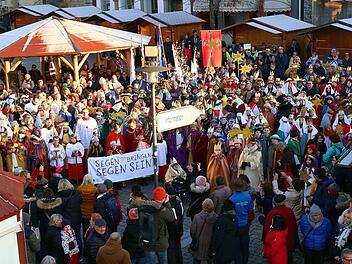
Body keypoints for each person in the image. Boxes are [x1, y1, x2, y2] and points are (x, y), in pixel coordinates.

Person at [128, 186, 175, 264]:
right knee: (163, 261)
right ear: (163, 198)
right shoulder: (163, 210)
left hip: (147, 240)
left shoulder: (143, 206)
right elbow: (172, 218)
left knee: (150, 261)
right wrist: (167, 203)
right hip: (161, 242)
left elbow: (132, 206)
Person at [263, 194, 297, 264]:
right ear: (284, 202)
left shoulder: (271, 213)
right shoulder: (289, 211)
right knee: (288, 257)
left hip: (275, 241)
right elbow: (294, 226)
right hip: (288, 239)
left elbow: (266, 228)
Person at [229, 177, 254, 264]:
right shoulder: (248, 196)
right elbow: (250, 211)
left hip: (235, 225)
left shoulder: (231, 199)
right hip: (245, 224)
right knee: (245, 246)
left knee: (236, 247)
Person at [209, 199, 241, 264]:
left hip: (222, 251)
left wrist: (213, 250)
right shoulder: (235, 218)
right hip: (232, 249)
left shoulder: (222, 220)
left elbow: (218, 237)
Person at [190, 198, 218, 264]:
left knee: (197, 260)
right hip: (210, 244)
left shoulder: (197, 217)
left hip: (199, 243)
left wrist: (194, 237)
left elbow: (192, 231)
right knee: (210, 260)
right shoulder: (216, 217)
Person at [164, 184, 184, 264]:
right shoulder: (179, 202)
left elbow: (169, 219)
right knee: (178, 248)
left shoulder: (169, 206)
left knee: (171, 250)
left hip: (171, 232)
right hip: (179, 230)